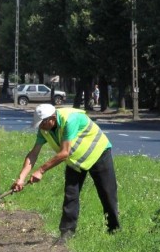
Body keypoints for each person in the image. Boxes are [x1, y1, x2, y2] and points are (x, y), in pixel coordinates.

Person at [11, 103, 120, 244]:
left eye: (42, 124)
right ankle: (67, 233)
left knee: (107, 193)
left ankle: (114, 230)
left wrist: (41, 170)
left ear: (51, 119)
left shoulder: (70, 119)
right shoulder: (44, 129)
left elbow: (64, 153)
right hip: (75, 161)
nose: (41, 127)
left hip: (98, 153)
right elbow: (33, 154)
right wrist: (21, 178)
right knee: (71, 194)